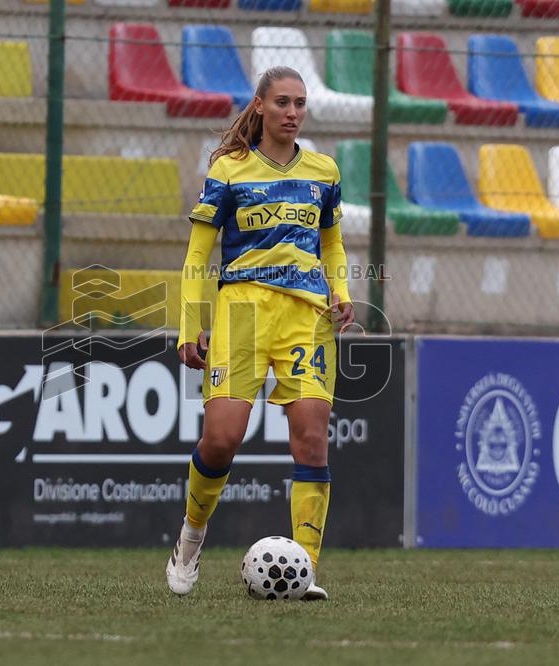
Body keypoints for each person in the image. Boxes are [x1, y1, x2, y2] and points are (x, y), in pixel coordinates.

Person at [166, 66, 354, 600]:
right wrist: (191, 325)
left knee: (313, 442)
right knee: (222, 438)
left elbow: (332, 244)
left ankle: (305, 571)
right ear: (260, 107)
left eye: (300, 104)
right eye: (282, 103)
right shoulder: (230, 170)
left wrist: (340, 292)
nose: (292, 113)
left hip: (307, 318)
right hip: (241, 312)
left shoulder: (324, 169)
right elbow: (199, 253)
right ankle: (189, 540)